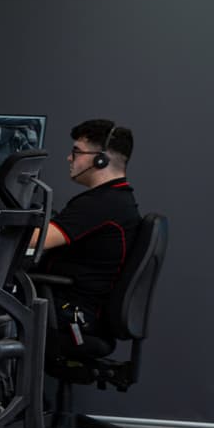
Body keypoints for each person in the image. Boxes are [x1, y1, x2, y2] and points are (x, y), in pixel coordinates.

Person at [37, 118, 139, 346]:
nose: (69, 158)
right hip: (78, 311)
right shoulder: (118, 199)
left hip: (71, 315)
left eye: (76, 152)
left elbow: (37, 239)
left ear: (100, 159)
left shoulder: (100, 204)